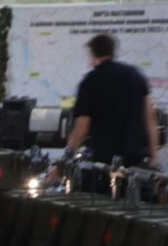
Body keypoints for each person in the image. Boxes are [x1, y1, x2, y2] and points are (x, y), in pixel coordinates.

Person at [65, 33, 159, 168]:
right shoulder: (134, 74)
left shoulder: (90, 81)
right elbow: (151, 117)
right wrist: (154, 155)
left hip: (104, 162)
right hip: (137, 159)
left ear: (92, 53)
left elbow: (82, 127)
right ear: (112, 51)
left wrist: (67, 156)